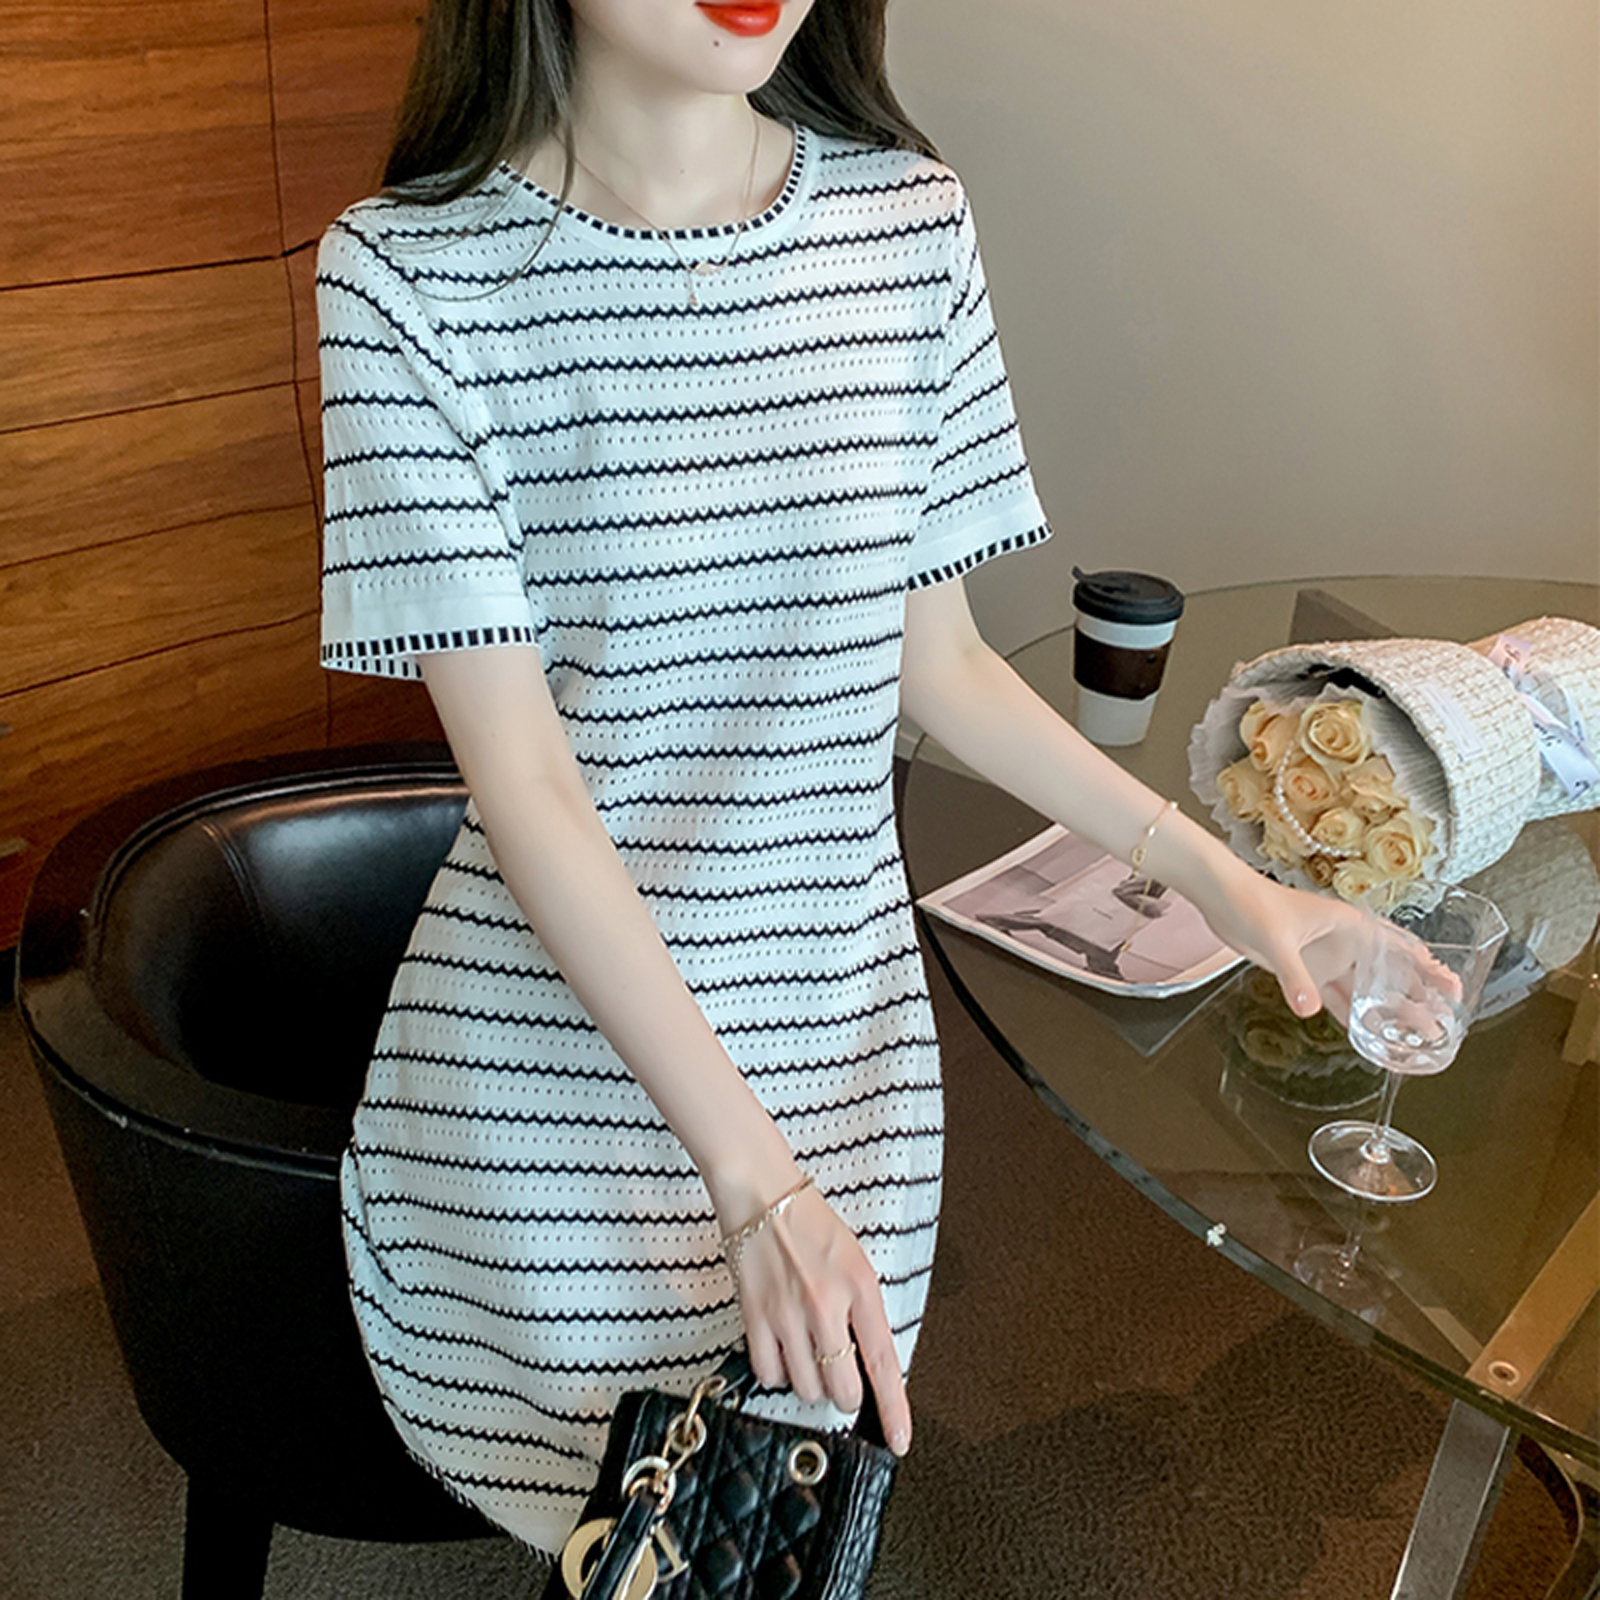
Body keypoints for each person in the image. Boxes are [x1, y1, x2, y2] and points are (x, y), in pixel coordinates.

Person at [316, 0, 1371, 1560]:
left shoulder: (908, 224)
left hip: (838, 1046)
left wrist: (1223, 879)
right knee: (627, 1536)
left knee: (770, 1524)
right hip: (559, 1087)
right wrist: (751, 1185)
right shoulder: (405, 274)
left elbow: (939, 665)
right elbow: (528, 783)